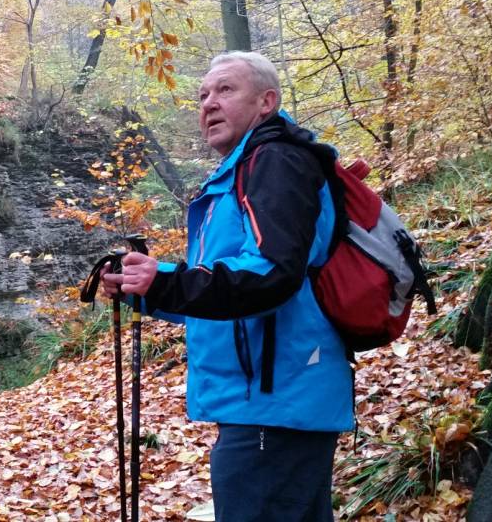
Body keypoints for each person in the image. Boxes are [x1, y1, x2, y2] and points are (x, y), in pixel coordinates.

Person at [100, 51, 353, 522]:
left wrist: (167, 284)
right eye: (203, 95)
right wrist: (151, 288)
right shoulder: (239, 174)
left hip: (275, 400)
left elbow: (271, 275)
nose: (209, 104)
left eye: (225, 90)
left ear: (266, 102)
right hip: (267, 400)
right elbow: (229, 291)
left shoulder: (274, 162)